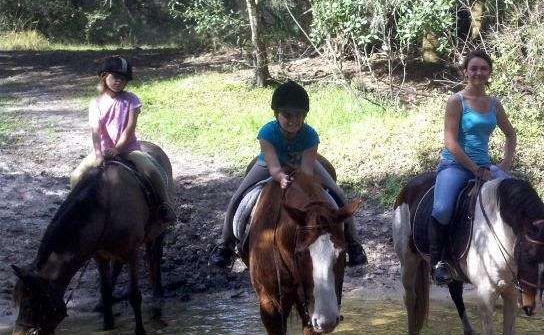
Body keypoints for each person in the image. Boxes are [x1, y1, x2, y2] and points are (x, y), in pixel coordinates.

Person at [211, 80, 366, 268]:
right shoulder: (267, 133)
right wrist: (281, 177)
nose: (294, 120)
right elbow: (274, 168)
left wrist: (301, 183)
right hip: (269, 164)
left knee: (338, 195)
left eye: (299, 115)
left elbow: (307, 172)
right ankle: (225, 244)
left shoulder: (310, 135)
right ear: (277, 114)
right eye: (287, 115)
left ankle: (353, 243)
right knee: (237, 197)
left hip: (302, 164)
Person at [429, 49, 517, 284]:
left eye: (484, 69)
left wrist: (505, 164)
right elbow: (450, 141)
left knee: (517, 198)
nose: (479, 73)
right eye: (474, 68)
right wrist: (474, 168)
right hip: (454, 165)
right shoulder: (456, 101)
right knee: (442, 208)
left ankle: (519, 258)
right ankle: (439, 261)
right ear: (465, 72)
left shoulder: (494, 103)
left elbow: (510, 134)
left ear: (489, 73)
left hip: (486, 167)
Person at [70, 56, 175, 224]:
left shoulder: (131, 100)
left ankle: (165, 206)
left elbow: (129, 128)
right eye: (114, 77)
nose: (118, 81)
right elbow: (96, 131)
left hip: (129, 149)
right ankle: (74, 211)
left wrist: (117, 150)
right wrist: (98, 154)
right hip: (103, 150)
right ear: (104, 77)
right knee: (76, 176)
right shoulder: (96, 103)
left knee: (151, 171)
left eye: (123, 78)